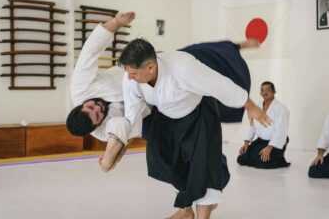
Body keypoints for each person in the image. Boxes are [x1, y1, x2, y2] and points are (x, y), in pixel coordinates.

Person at [120, 30, 271, 219]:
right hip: (167, 120)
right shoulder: (131, 78)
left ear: (150, 67)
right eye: (128, 73)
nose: (129, 78)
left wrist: (251, 106)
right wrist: (121, 142)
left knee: (205, 167)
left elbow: (220, 85)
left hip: (200, 117)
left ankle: (203, 216)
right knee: (172, 163)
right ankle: (186, 211)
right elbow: (131, 113)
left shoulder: (184, 67)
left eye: (133, 73)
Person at [66, 12, 145, 172]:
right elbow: (122, 138)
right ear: (97, 125)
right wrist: (111, 160)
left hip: (137, 69)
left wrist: (116, 22)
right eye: (97, 114)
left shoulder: (80, 88)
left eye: (90, 107)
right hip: (151, 109)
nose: (97, 107)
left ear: (80, 105)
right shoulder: (103, 133)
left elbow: (90, 51)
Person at [237, 81, 290, 169]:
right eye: (262, 90)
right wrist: (246, 143)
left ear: (274, 92)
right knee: (242, 159)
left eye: (268, 90)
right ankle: (260, 155)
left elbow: (280, 131)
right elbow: (252, 126)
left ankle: (279, 159)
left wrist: (269, 147)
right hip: (260, 142)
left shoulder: (282, 109)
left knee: (262, 163)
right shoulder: (257, 107)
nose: (264, 92)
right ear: (260, 93)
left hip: (275, 143)